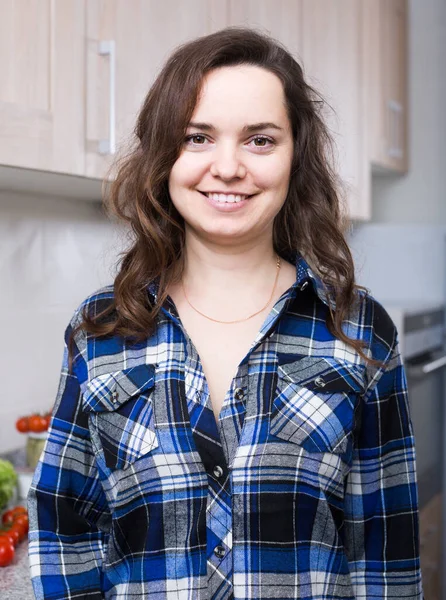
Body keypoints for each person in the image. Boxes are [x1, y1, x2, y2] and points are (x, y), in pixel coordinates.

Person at [27, 27, 423, 600]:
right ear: (164, 155)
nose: (229, 167)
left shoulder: (359, 330)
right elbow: (67, 541)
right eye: (198, 137)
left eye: (260, 140)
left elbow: (385, 560)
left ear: (295, 156)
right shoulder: (99, 331)